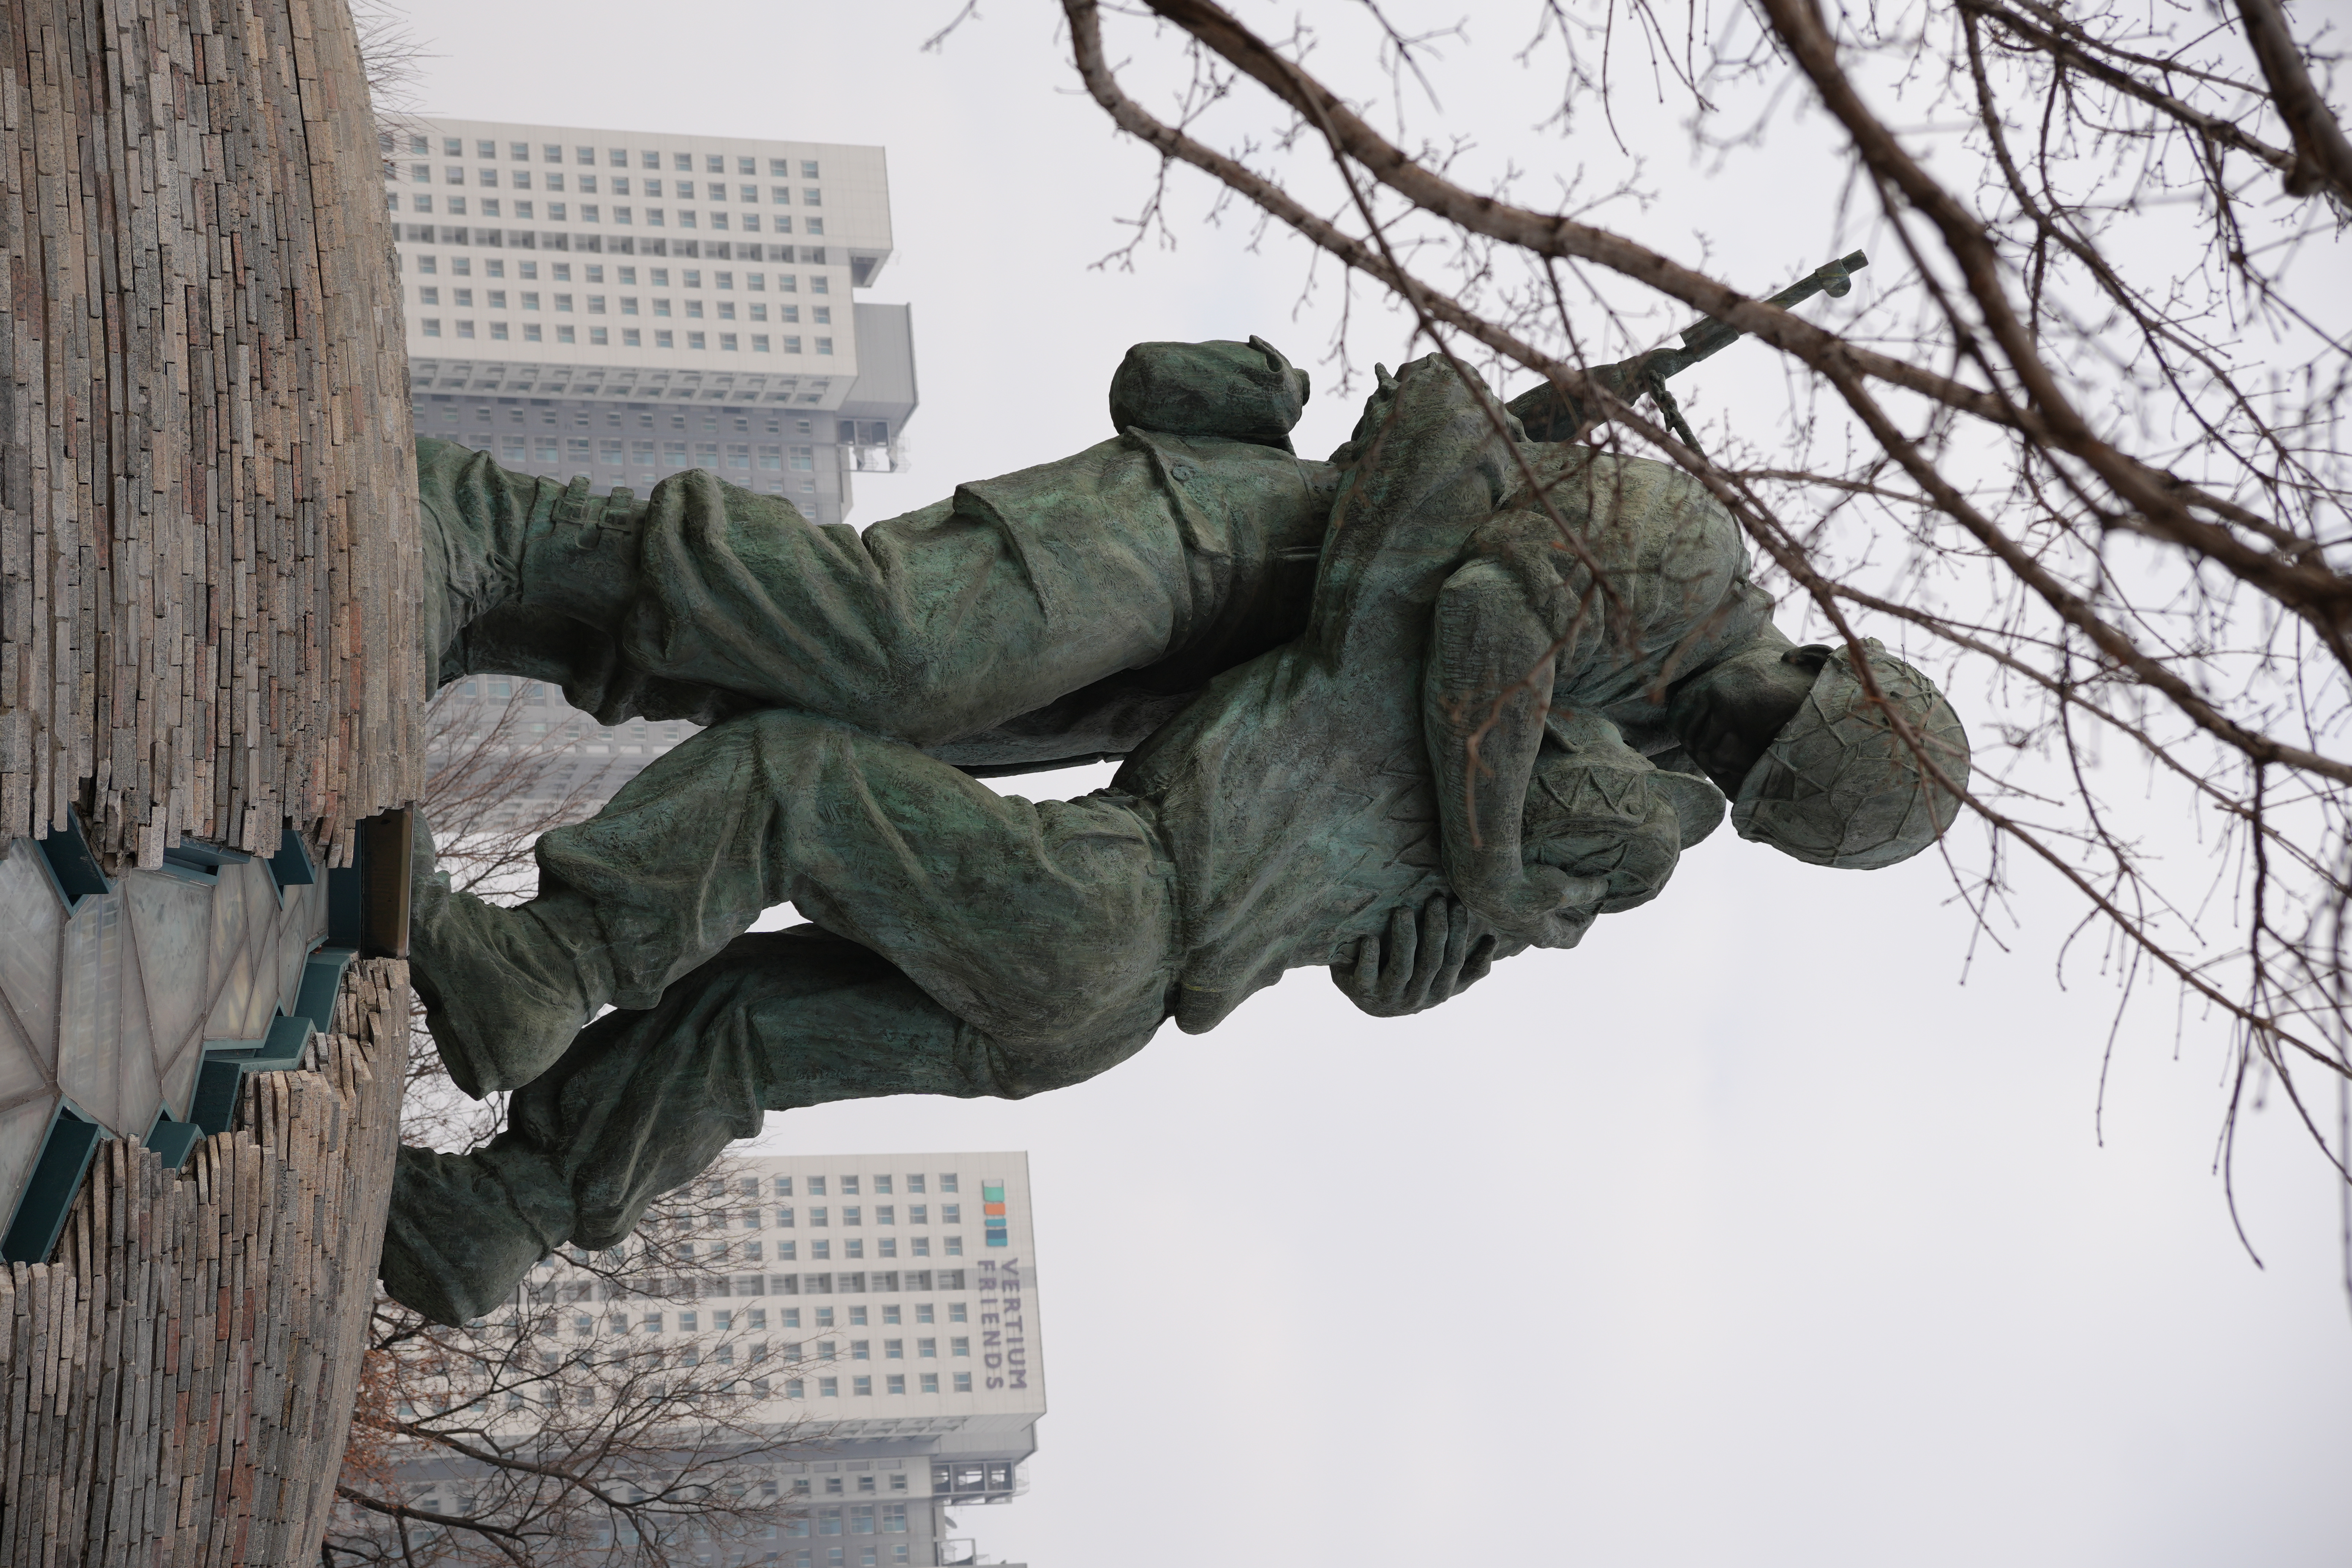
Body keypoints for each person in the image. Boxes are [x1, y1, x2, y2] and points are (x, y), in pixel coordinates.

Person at [381, 356, 1970, 1325]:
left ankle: (517, 1104)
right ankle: (502, 551)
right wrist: (1483, 864)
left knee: (808, 791)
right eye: (1764, 733)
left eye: (1748, 793)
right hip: (1221, 563)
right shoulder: (1685, 558)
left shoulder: (1627, 793)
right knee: (887, 652)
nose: (1724, 759)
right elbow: (1489, 612)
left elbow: (1399, 939)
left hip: (1168, 795)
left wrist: (1431, 949)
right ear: (1823, 663)